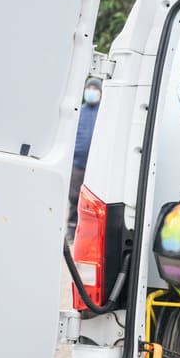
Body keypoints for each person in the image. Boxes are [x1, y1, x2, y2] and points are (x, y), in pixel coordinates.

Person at [68, 78, 102, 241]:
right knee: (74, 197)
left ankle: (91, 232)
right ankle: (72, 227)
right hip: (77, 164)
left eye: (95, 88)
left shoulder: (104, 114)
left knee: (93, 200)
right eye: (89, 88)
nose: (91, 91)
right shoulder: (79, 111)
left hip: (95, 165)